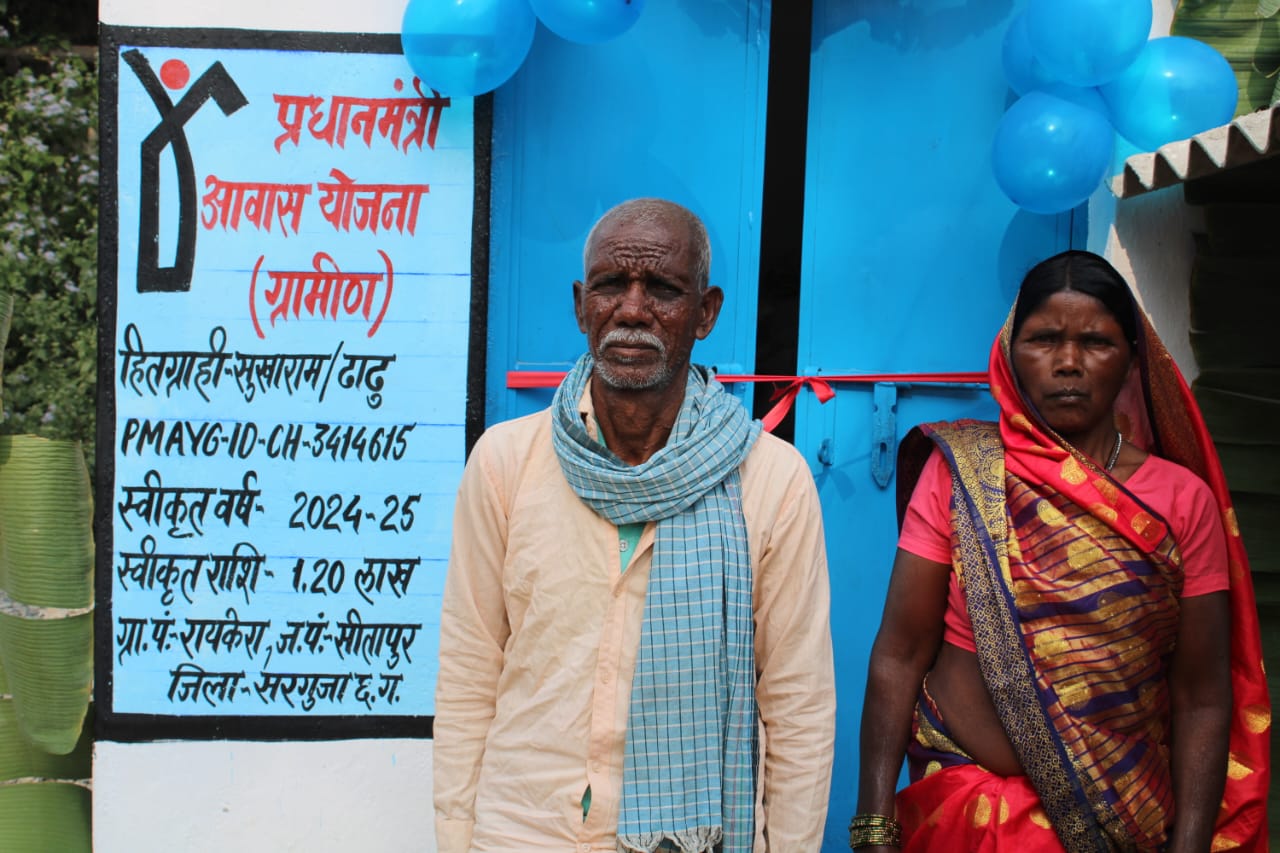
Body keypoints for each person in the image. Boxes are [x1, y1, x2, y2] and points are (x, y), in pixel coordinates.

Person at [434, 198, 835, 852]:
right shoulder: (506, 462)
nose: (632, 309)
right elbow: (469, 671)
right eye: (611, 285)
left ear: (706, 312)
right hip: (522, 829)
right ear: (580, 304)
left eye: (663, 289)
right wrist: (455, 837)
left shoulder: (769, 479)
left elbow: (798, 705)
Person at [854, 250, 1270, 852]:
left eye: (1096, 342)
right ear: (1010, 354)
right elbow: (900, 653)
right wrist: (873, 824)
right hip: (965, 820)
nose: (1068, 362)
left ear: (1132, 358)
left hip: (1121, 828)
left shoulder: (1181, 501)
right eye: (1044, 339)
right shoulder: (964, 474)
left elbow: (1201, 696)